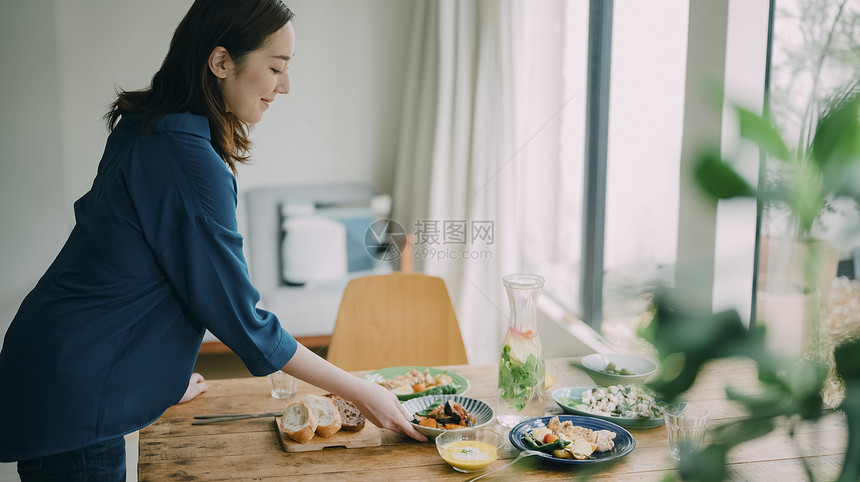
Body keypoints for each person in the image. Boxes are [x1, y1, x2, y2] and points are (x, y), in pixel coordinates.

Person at [0, 0, 425, 479]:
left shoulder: (145, 125)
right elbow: (244, 322)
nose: (284, 86)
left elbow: (137, 265)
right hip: (78, 388)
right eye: (276, 67)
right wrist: (362, 391)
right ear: (221, 62)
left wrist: (154, 380)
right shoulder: (189, 162)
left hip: (57, 360)